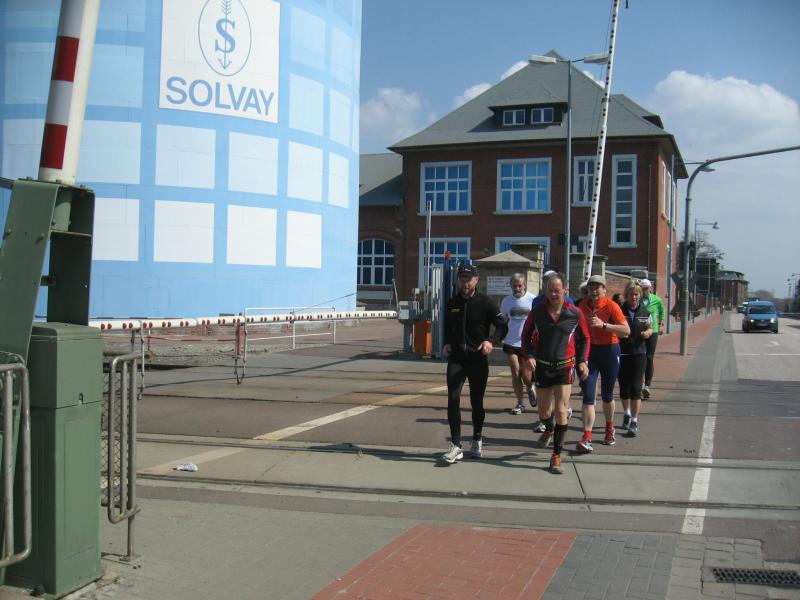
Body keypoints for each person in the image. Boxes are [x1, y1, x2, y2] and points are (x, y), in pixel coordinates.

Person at [521, 272, 589, 474]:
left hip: (564, 366)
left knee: (561, 410)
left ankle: (556, 455)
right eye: (550, 290)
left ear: (565, 290)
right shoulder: (537, 312)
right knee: (544, 412)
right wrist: (529, 356)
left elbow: (585, 338)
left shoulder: (575, 313)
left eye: (557, 290)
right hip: (542, 366)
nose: (553, 294)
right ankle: (549, 429)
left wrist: (582, 361)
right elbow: (525, 337)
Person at [441, 264, 508, 463]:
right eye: (462, 279)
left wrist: (491, 341)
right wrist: (446, 343)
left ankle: (477, 438)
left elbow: (502, 326)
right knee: (453, 399)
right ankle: (456, 445)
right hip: (457, 359)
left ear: (476, 280)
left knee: (476, 402)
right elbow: (448, 326)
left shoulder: (485, 302)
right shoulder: (452, 302)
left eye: (468, 279)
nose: (465, 282)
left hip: (477, 359)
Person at [576, 275, 630, 452]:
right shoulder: (581, 306)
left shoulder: (611, 305)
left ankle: (609, 428)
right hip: (589, 352)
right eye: (591, 287)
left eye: (598, 287)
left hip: (609, 350)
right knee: (588, 394)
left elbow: (626, 331)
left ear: (604, 290)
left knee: (607, 394)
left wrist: (604, 325)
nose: (594, 291)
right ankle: (587, 436)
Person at [617, 282, 653, 437]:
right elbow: (614, 328)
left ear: (640, 295)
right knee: (624, 388)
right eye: (631, 294)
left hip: (639, 353)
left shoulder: (645, 312)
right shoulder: (619, 311)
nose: (634, 297)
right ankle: (627, 413)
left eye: (636, 294)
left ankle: (634, 421)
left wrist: (648, 333)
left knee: (636, 388)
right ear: (626, 295)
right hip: (622, 353)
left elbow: (650, 327)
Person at [500, 274, 536, 415]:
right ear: (511, 286)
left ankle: (531, 388)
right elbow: (503, 320)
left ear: (525, 285)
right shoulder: (506, 301)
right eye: (514, 286)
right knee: (515, 372)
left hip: (527, 343)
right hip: (511, 341)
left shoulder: (532, 299)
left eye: (520, 285)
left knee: (526, 376)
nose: (517, 288)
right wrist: (501, 336)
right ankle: (520, 403)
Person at [639, 278, 665, 400]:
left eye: (646, 288)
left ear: (650, 288)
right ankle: (639, 383)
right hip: (639, 330)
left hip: (653, 330)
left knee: (649, 357)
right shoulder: (637, 299)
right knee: (639, 356)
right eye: (642, 288)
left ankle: (647, 385)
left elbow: (662, 310)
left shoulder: (656, 299)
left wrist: (661, 322)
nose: (644, 290)